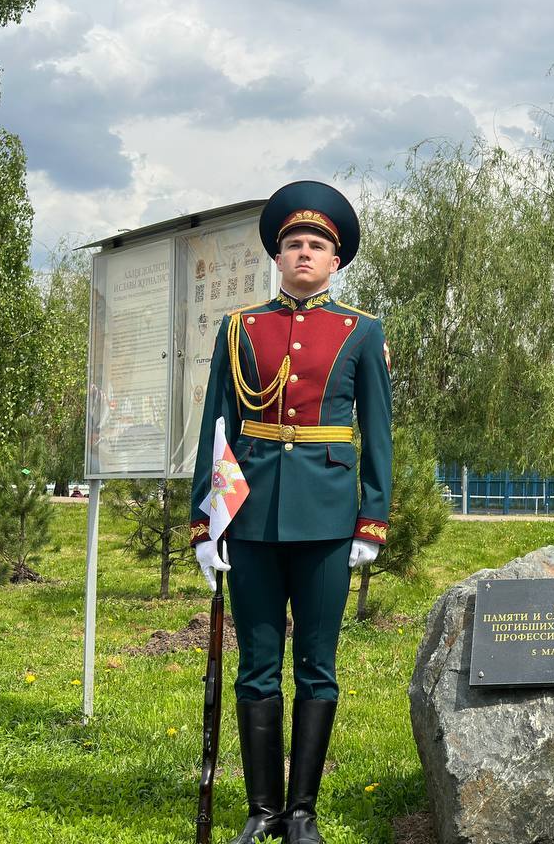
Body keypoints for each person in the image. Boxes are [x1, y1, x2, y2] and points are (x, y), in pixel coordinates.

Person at [189, 180, 393, 844]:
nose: (303, 253)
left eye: (316, 245)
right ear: (277, 258)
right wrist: (205, 519)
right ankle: (261, 810)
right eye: (293, 244)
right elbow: (217, 426)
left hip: (330, 518)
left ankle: (302, 811)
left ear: (336, 261)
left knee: (316, 663)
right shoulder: (240, 327)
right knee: (255, 662)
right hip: (248, 517)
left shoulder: (362, 333)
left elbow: (378, 431)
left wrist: (372, 519)